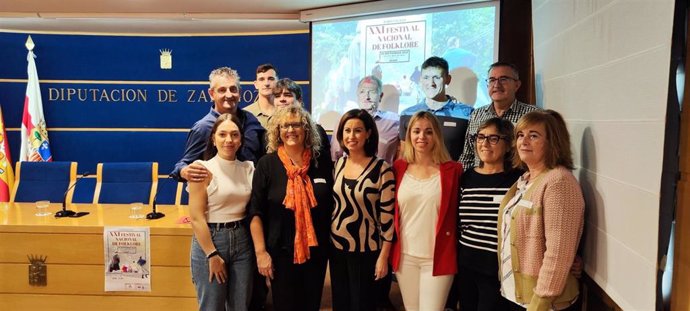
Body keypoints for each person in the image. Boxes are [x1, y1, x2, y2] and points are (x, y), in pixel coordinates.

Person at [248, 106, 333, 311]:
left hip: (316, 254)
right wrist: (261, 253)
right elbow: (255, 212)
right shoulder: (266, 164)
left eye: (296, 124)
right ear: (277, 131)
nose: (290, 130)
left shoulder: (320, 162)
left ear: (306, 130)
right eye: (285, 125)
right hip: (280, 255)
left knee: (311, 306)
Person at [498, 111, 584, 311]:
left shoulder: (558, 182)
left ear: (552, 142)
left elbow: (558, 253)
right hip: (518, 296)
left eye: (534, 135)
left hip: (545, 303)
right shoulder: (526, 179)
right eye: (520, 135)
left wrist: (540, 302)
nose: (524, 141)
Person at [391, 111, 462, 311]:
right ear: (409, 135)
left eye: (428, 132)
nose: (422, 137)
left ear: (437, 136)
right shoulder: (398, 168)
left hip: (437, 258)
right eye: (416, 131)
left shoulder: (453, 170)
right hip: (406, 257)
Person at [330, 109, 396, 311]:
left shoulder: (382, 169)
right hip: (338, 248)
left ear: (368, 133)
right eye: (347, 130)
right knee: (341, 303)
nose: (351, 136)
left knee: (362, 305)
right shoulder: (339, 164)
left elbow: (387, 218)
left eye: (357, 130)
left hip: (367, 251)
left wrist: (384, 257)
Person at [188, 113, 255, 311]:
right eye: (223, 134)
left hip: (243, 240)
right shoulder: (201, 169)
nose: (229, 140)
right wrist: (212, 255)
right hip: (212, 240)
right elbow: (196, 217)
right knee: (212, 306)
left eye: (234, 135)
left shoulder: (249, 168)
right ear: (213, 138)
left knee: (240, 305)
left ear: (241, 139)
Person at [456, 118, 522, 311]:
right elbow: (459, 223)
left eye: (493, 138)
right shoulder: (467, 177)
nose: (484, 143)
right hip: (466, 264)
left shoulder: (517, 180)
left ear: (508, 143)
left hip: (496, 269)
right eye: (480, 137)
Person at [171, 66, 265, 182]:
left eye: (233, 89)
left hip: (253, 193)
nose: (229, 95)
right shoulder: (203, 128)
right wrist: (183, 171)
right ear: (211, 94)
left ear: (239, 92)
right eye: (222, 90)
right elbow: (183, 164)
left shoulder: (251, 120)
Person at [459, 62, 540, 170]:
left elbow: (539, 156)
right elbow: (467, 156)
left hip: (518, 183)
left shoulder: (532, 115)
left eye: (503, 79)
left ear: (517, 85)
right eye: (492, 80)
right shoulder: (476, 115)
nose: (496, 85)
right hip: (480, 182)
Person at [399, 56, 473, 161]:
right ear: (420, 80)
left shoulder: (467, 113)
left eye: (437, 78)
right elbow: (404, 154)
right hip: (417, 175)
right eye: (426, 78)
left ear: (448, 79)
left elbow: (473, 153)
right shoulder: (407, 114)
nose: (431, 83)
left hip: (453, 175)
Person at [331, 75, 400, 165]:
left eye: (372, 92)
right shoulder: (344, 120)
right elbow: (336, 156)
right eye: (362, 92)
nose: (367, 97)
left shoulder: (394, 121)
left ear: (381, 96)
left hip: (382, 175)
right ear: (357, 95)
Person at [271, 78, 331, 158]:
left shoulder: (318, 131)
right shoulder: (268, 133)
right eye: (277, 96)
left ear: (299, 101)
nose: (282, 99)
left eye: (288, 95)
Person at [245, 64, 278, 128]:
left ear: (277, 83)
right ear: (256, 84)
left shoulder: (285, 112)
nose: (266, 83)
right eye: (261, 79)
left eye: (271, 79)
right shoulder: (245, 114)